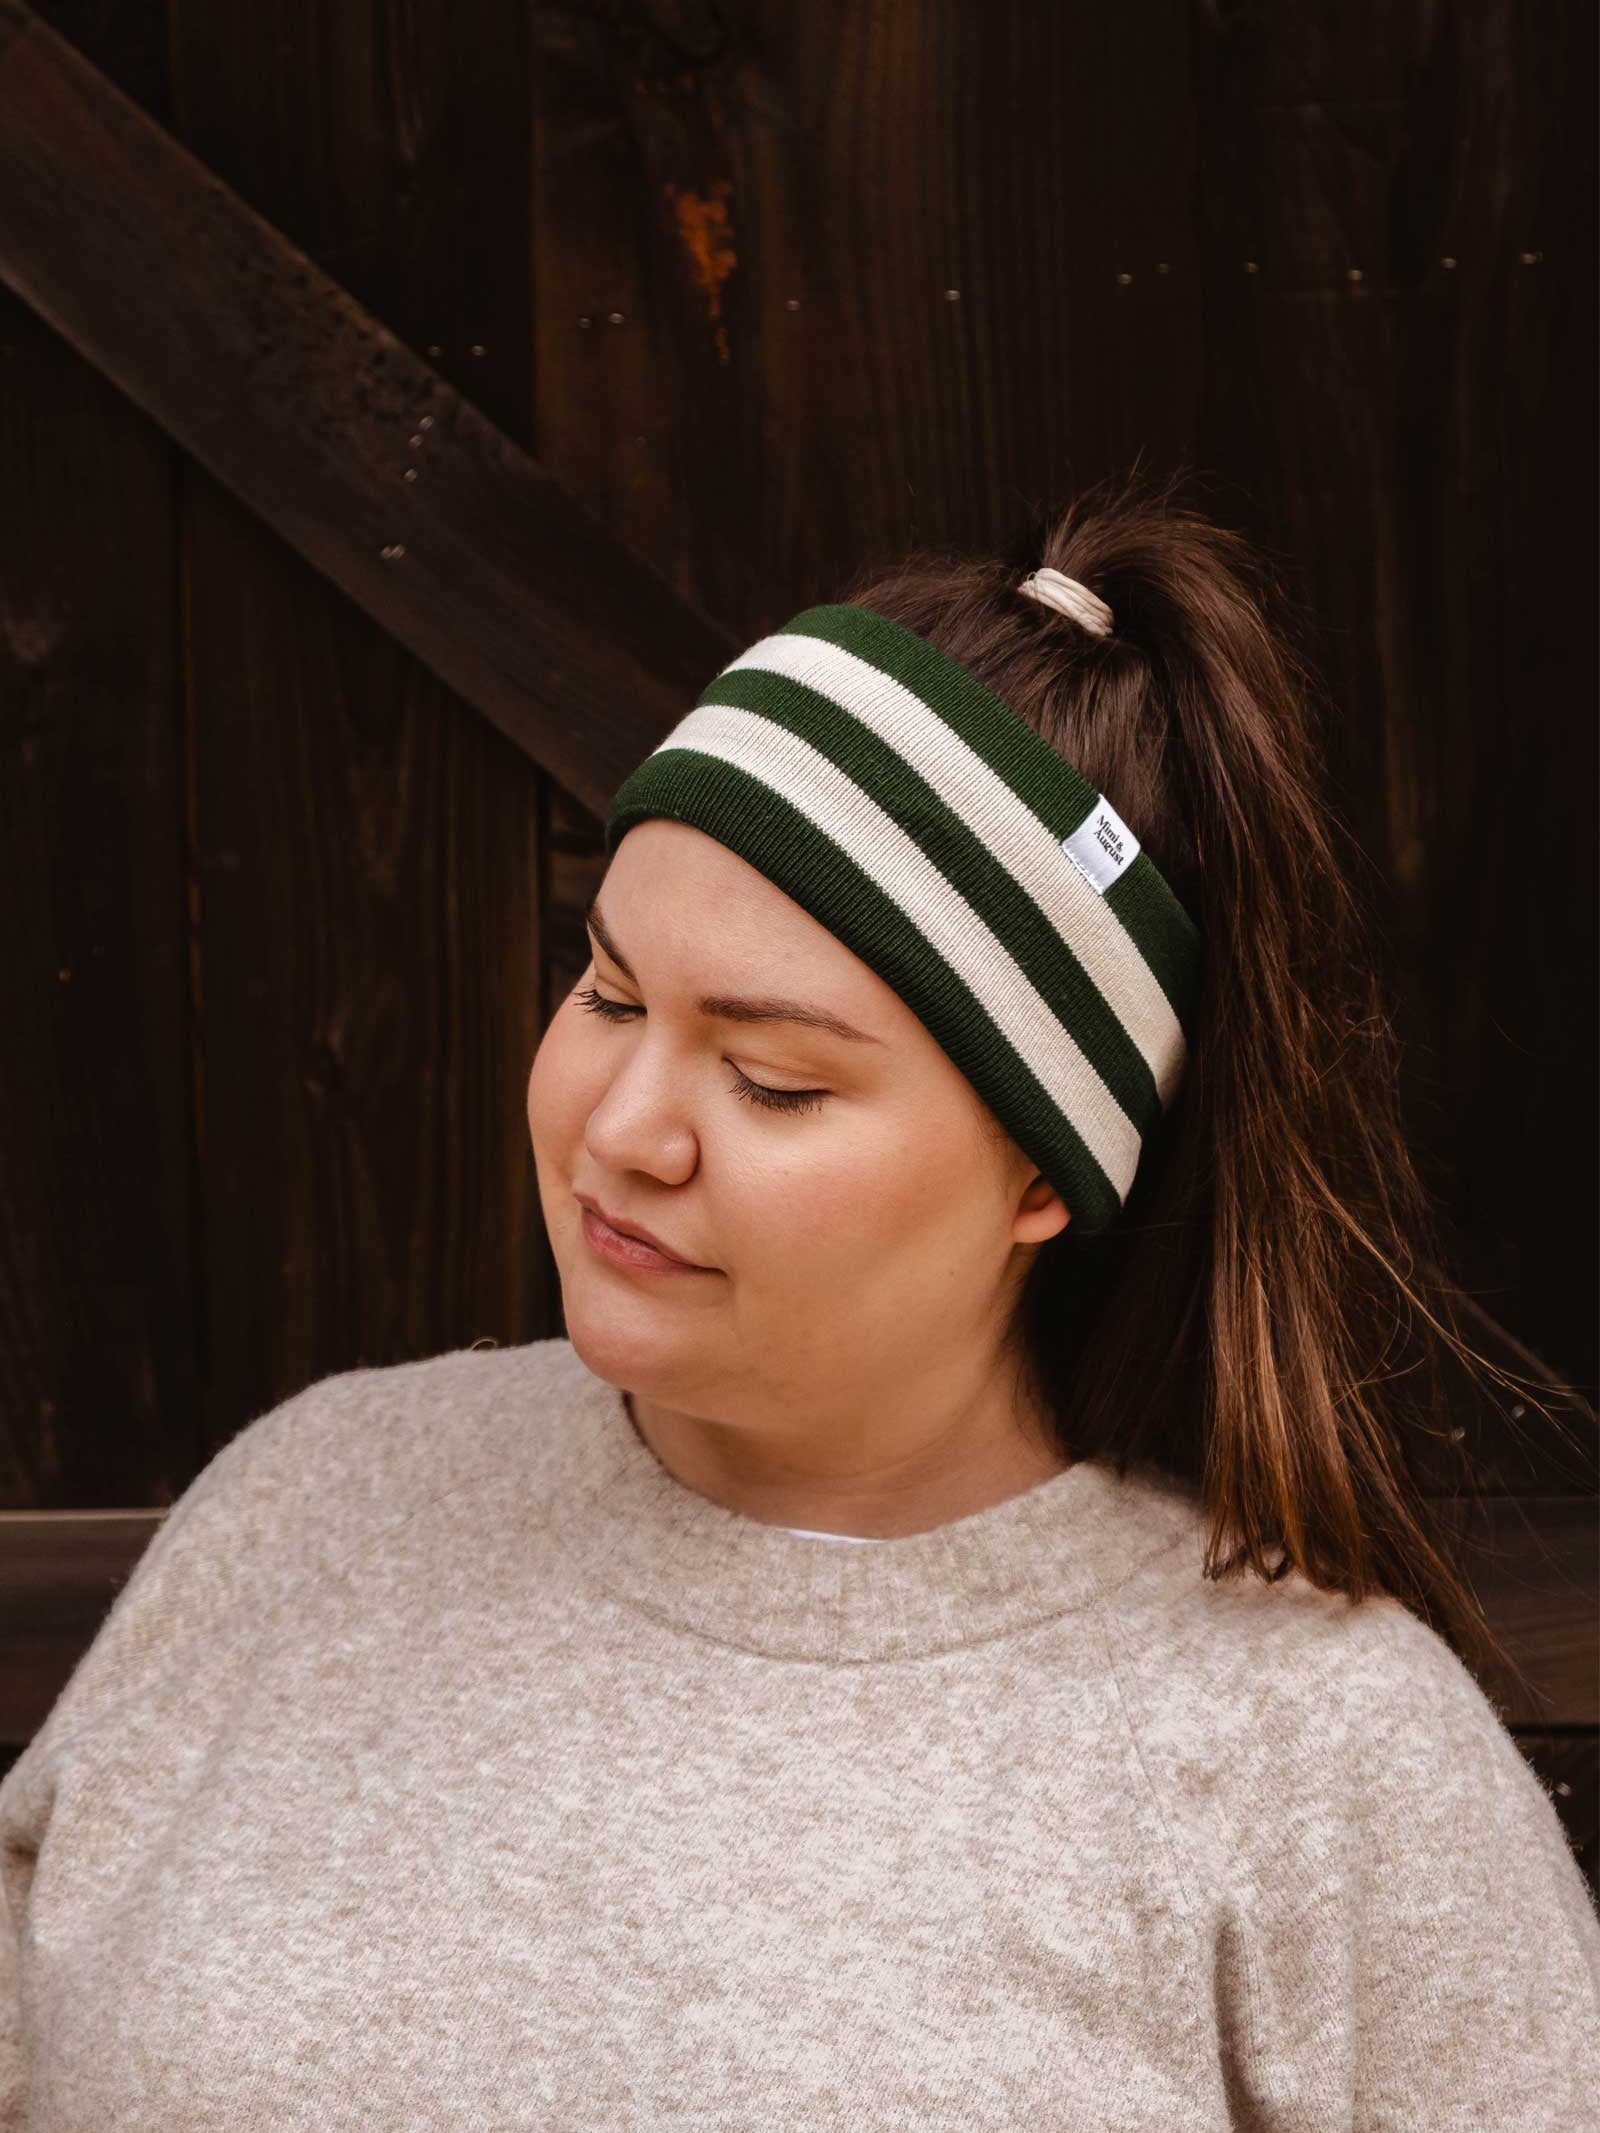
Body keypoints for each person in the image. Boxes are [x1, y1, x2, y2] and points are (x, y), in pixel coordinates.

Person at [2, 471, 1596, 2130]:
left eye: (771, 1081)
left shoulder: (1321, 1756)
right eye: (609, 991)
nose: (621, 1129)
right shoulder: (317, 1504)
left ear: (1045, 1174)